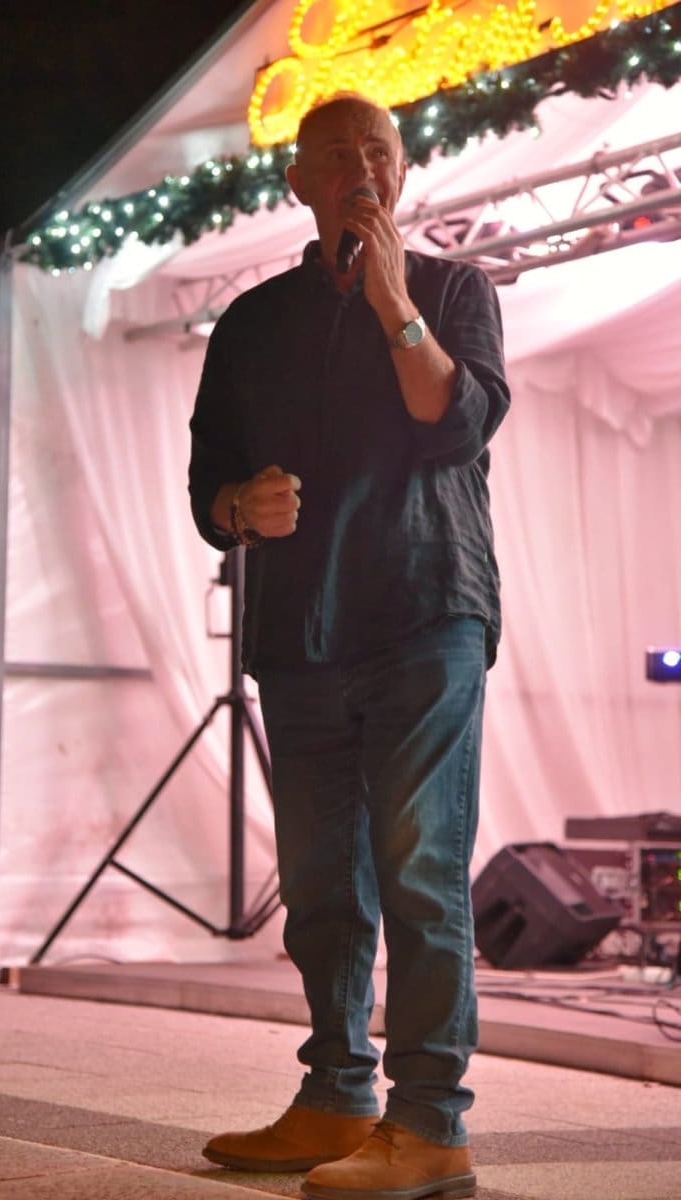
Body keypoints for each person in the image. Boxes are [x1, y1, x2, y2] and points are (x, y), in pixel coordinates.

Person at [188, 93, 509, 1200]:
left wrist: (391, 298)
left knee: (418, 870)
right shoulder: (250, 323)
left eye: (377, 151)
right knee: (321, 881)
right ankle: (335, 1094)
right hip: (300, 632)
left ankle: (431, 1126)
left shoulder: (454, 290)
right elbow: (206, 481)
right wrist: (240, 504)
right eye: (334, 155)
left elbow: (455, 420)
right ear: (299, 184)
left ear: (402, 172)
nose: (359, 168)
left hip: (426, 611)